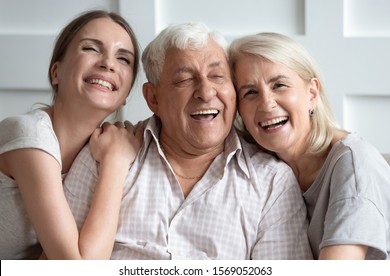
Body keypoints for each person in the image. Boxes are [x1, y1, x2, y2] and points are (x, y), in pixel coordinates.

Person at [64, 22, 312, 260]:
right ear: (153, 98)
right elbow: (61, 264)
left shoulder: (272, 182)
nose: (205, 92)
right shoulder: (104, 154)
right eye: (184, 80)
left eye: (217, 76)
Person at [228, 32, 390, 259]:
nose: (266, 104)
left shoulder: (353, 164)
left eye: (279, 85)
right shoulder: (260, 168)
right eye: (250, 92)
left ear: (312, 94)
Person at [0, 10, 142, 259]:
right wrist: (115, 164)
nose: (108, 63)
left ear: (126, 93)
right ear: (56, 72)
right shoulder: (30, 136)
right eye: (91, 48)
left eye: (123, 59)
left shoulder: (98, 150)